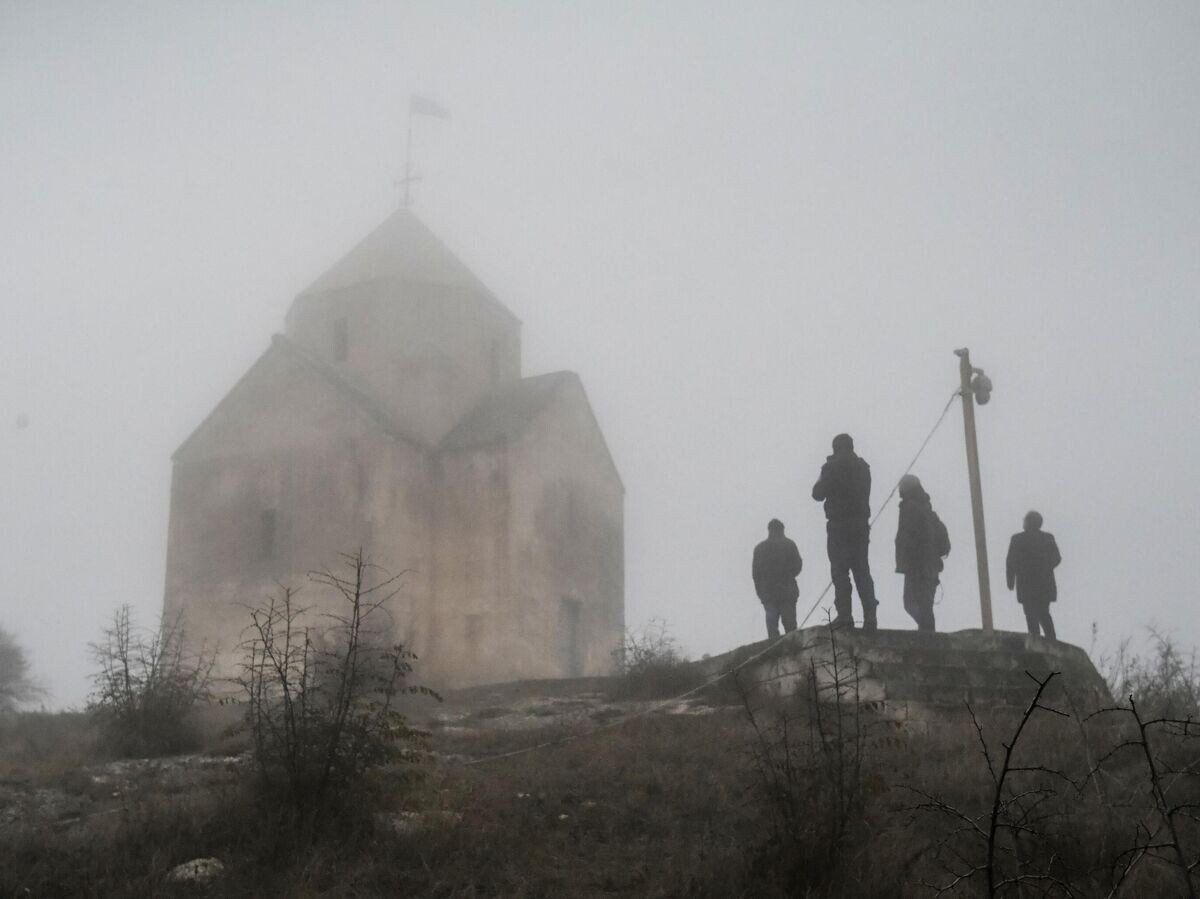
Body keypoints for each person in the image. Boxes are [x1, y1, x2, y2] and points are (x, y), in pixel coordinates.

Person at [812, 434, 878, 632]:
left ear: (835, 448)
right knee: (862, 571)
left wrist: (826, 470)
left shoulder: (831, 468)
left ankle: (845, 616)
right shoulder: (863, 468)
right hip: (860, 525)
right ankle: (871, 617)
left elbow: (817, 493)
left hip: (839, 525)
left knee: (840, 571)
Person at [894, 474, 950, 632]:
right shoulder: (929, 512)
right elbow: (943, 543)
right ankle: (927, 632)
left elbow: (906, 536)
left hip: (916, 566)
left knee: (910, 602)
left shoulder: (909, 507)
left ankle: (927, 633)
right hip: (931, 567)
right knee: (925, 604)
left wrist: (904, 561)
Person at [1006, 511, 1061, 640]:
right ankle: (1050, 640)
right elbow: (1056, 558)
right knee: (1043, 613)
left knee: (1033, 614)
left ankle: (1038, 640)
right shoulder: (1047, 538)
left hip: (1029, 584)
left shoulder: (1018, 539)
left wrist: (1011, 579)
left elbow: (1011, 561)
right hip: (1042, 584)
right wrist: (1044, 568)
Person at [752, 519, 803, 639]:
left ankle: (774, 650)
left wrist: (760, 593)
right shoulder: (789, 544)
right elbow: (798, 566)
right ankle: (792, 650)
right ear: (782, 530)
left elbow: (755, 575)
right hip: (787, 592)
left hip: (768, 595)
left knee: (772, 627)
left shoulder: (759, 549)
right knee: (790, 628)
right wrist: (788, 575)